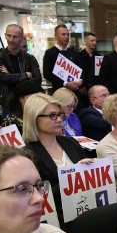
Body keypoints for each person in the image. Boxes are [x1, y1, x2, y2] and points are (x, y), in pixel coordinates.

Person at [23, 93, 92, 225]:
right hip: (57, 220)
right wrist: (72, 178)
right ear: (34, 118)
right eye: (52, 116)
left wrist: (89, 169)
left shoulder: (71, 143)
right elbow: (38, 196)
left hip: (85, 207)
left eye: (60, 115)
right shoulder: (27, 155)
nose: (60, 120)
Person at [0, 24, 42, 115]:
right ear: (5, 35)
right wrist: (25, 75)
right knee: (10, 128)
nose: (11, 40)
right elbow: (2, 77)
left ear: (21, 38)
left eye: (15, 37)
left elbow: (37, 80)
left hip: (28, 101)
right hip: (9, 103)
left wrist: (10, 75)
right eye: (9, 36)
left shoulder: (30, 58)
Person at [42, 24, 83, 94]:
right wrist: (65, 83)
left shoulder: (74, 53)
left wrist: (80, 81)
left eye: (67, 34)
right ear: (56, 36)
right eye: (63, 34)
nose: (66, 37)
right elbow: (47, 74)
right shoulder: (50, 53)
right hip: (59, 92)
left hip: (75, 92)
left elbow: (81, 70)